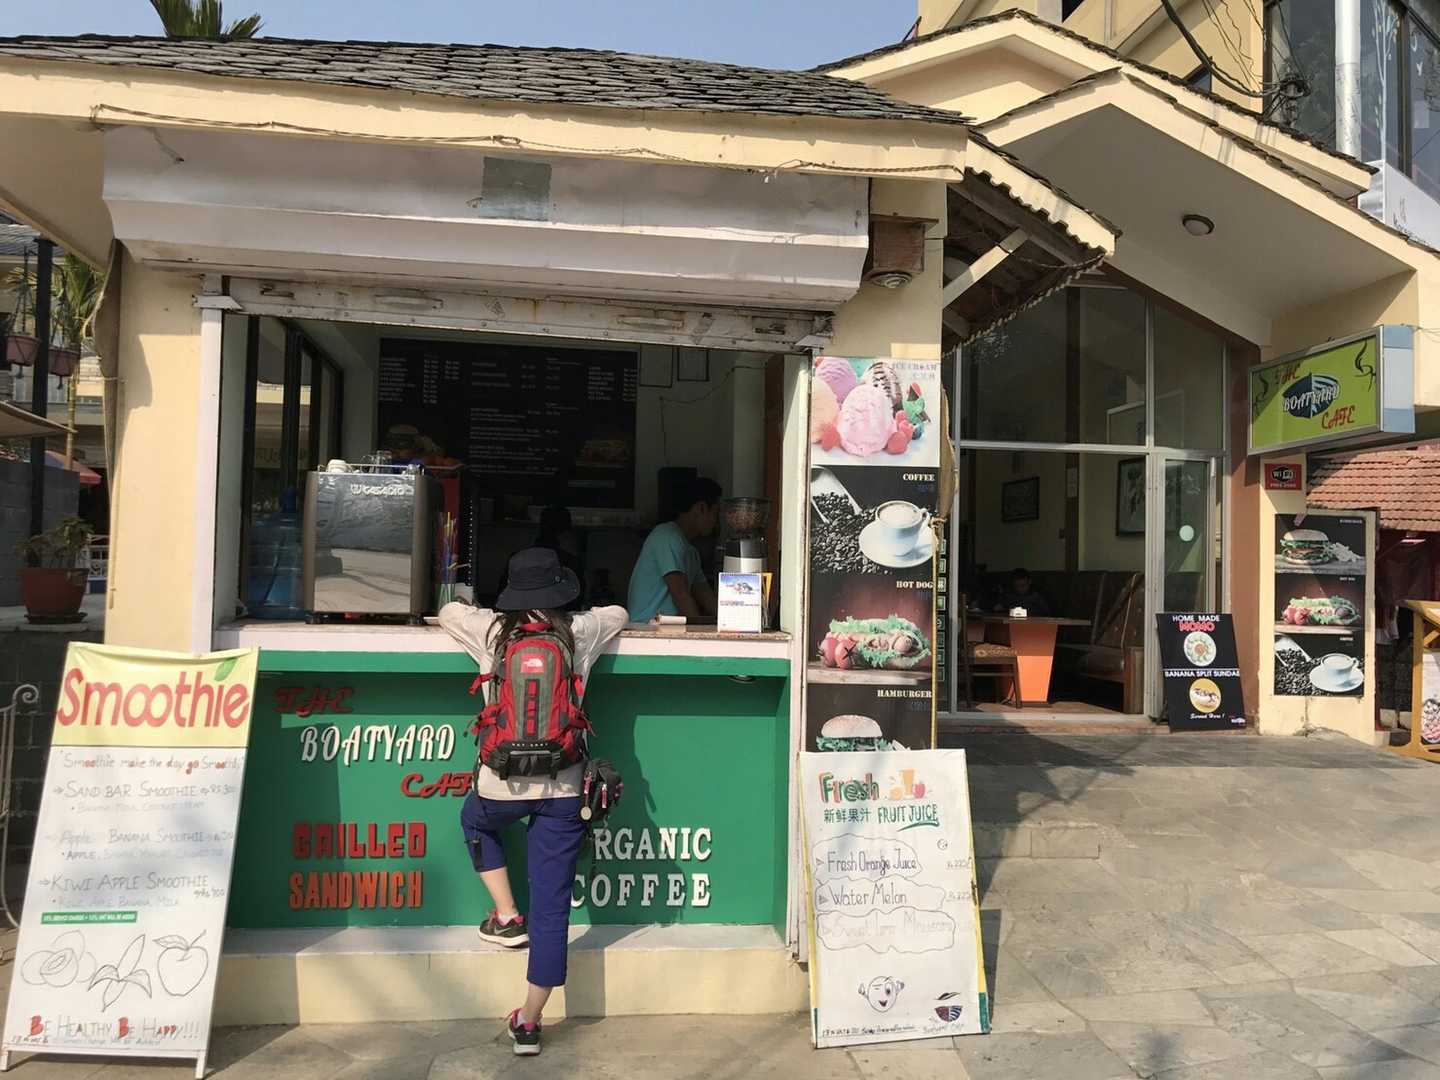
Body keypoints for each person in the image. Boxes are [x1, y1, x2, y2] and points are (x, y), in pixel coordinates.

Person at [439, 548, 627, 1057]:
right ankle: (529, 1021)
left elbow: (447, 611)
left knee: (474, 822)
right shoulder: (579, 632)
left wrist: (474, 604)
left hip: (499, 786)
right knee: (552, 906)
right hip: (564, 789)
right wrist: (589, 609)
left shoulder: (491, 631)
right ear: (560, 590)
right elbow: (620, 613)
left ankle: (505, 916)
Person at [626, 476, 721, 623]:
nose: (716, 521)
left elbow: (706, 597)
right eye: (715, 513)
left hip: (666, 629)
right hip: (647, 628)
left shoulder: (691, 553)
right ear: (701, 508)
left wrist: (731, 621)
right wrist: (701, 631)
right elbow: (681, 596)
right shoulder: (666, 535)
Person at [497, 505, 582, 610]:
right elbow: (576, 602)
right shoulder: (570, 562)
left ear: (540, 527)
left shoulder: (517, 560)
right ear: (565, 532)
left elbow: (502, 595)